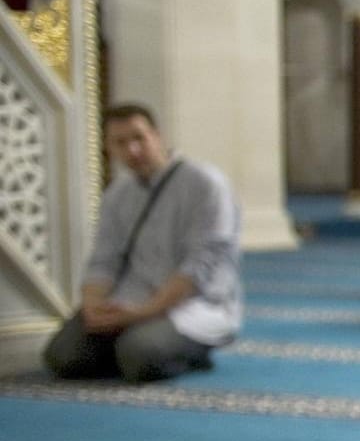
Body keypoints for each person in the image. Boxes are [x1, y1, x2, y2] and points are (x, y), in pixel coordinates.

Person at [44, 104, 243, 384]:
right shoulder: (118, 194)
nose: (133, 150)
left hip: (189, 307)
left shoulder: (205, 184)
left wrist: (143, 313)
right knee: (62, 357)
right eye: (121, 143)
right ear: (109, 149)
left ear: (158, 136)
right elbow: (103, 260)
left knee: (139, 357)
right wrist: (93, 307)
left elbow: (199, 266)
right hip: (129, 302)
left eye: (139, 138)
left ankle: (187, 351)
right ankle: (132, 344)